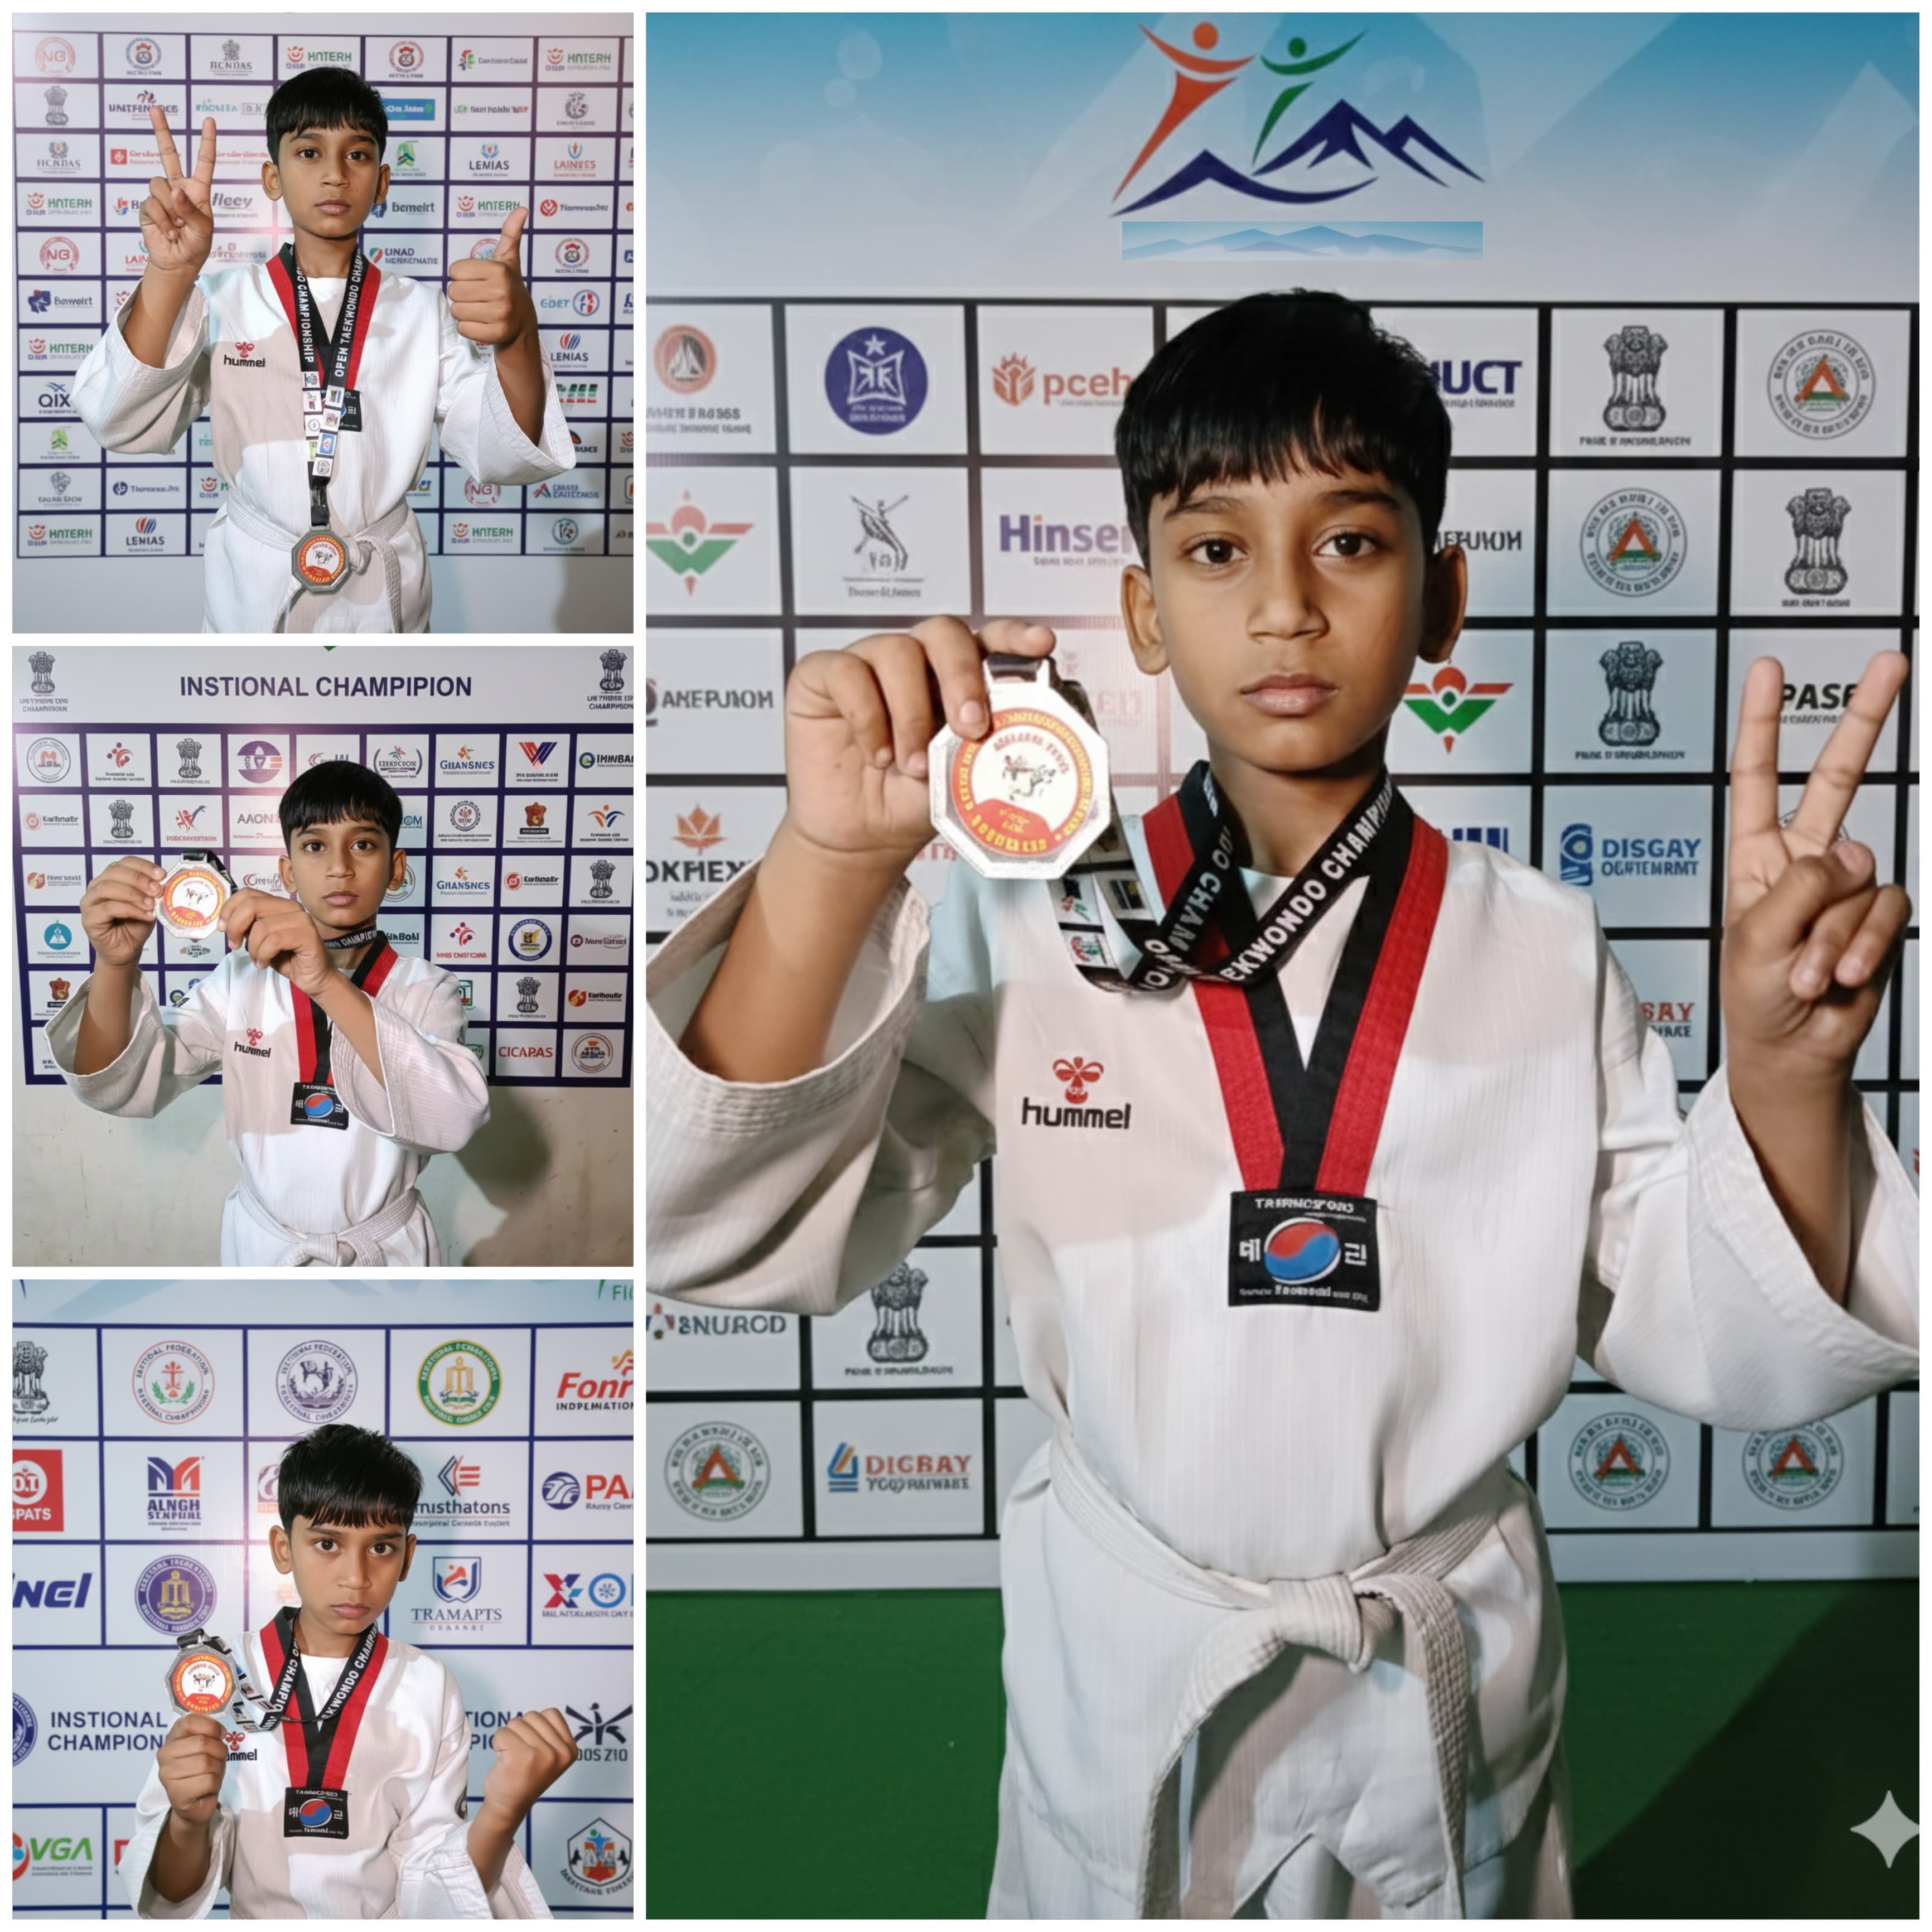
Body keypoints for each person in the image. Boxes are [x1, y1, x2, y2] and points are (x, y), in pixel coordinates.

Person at [645, 291, 1920, 1916]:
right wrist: (830, 863)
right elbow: (721, 1225)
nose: (1283, 606)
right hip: (1139, 1657)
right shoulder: (1044, 913)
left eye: (1349, 542)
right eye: (1214, 548)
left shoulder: (1536, 944)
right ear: (1143, 610)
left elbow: (1702, 1315)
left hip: (1433, 1667)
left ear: (1437, 595)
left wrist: (1785, 1069)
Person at [71, 69, 573, 632]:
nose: (335, 174)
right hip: (255, 588)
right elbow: (119, 420)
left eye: (357, 155)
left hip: (380, 594)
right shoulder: (224, 299)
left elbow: (503, 452)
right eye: (309, 153)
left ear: (382, 184)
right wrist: (169, 275)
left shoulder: (423, 311)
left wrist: (518, 337)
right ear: (272, 178)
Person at [120, 1424, 577, 1917]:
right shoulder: (219, 1673)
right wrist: (188, 1821)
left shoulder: (428, 1685)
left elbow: (437, 1899)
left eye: (381, 1548)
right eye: (327, 1545)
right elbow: (171, 1896)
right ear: (282, 1548)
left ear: (407, 1557)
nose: (357, 1578)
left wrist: (503, 1811)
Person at [49, 760, 489, 1265]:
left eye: (364, 844)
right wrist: (115, 963)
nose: (339, 867)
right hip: (265, 1248)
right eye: (315, 846)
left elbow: (453, 1122)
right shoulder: (241, 978)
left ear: (396, 868)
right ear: (287, 872)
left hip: (384, 1252)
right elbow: (119, 1085)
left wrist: (324, 983)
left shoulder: (427, 989)